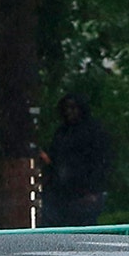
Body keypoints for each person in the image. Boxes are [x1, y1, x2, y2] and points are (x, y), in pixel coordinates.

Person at [41, 93, 113, 227]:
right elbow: (54, 160)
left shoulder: (94, 131)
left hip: (86, 193)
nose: (69, 112)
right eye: (66, 108)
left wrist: (93, 190)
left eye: (73, 108)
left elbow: (102, 162)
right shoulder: (61, 133)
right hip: (61, 193)